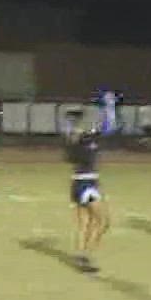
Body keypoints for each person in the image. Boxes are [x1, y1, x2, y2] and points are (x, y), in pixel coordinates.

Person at [62, 107, 110, 272]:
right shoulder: (78, 140)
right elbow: (73, 153)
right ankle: (86, 257)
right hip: (85, 184)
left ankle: (81, 254)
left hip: (81, 183)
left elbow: (106, 127)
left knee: (85, 223)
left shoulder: (87, 137)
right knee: (103, 221)